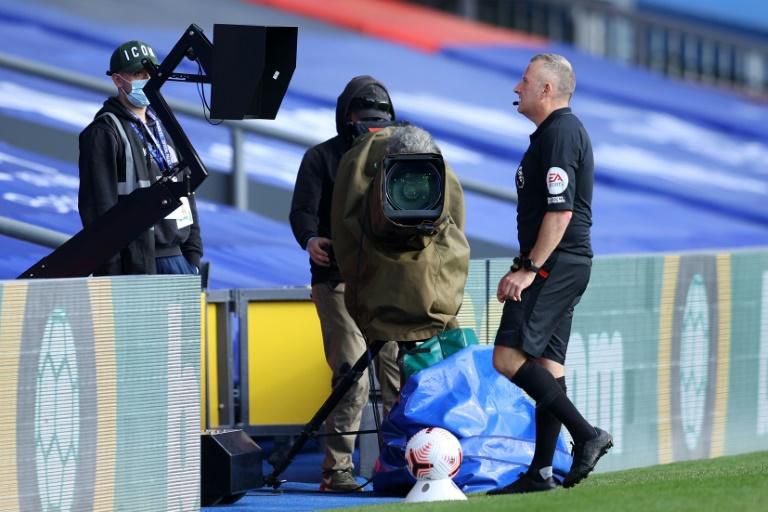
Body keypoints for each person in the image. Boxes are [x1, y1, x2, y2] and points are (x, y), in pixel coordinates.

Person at [488, 53, 612, 495]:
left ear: (546, 89)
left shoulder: (560, 133)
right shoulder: (553, 135)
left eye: (524, 81)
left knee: (507, 357)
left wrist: (528, 269)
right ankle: (541, 472)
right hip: (567, 262)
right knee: (547, 366)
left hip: (557, 263)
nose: (516, 88)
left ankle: (586, 434)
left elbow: (559, 214)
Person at [289, 76, 401, 492]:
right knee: (350, 370)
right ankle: (337, 470)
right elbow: (301, 212)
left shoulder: (400, 155)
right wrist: (311, 240)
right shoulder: (320, 158)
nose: (371, 125)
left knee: (396, 372)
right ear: (345, 119)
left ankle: (400, 461)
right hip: (335, 280)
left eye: (379, 119)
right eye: (363, 118)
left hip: (386, 280)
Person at [78, 40, 202, 276]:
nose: (147, 79)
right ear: (117, 80)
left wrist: (193, 256)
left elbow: (188, 193)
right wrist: (112, 275)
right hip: (136, 266)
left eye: (150, 73)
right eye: (138, 74)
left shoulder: (164, 125)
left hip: (179, 260)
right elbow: (99, 211)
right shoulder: (103, 132)